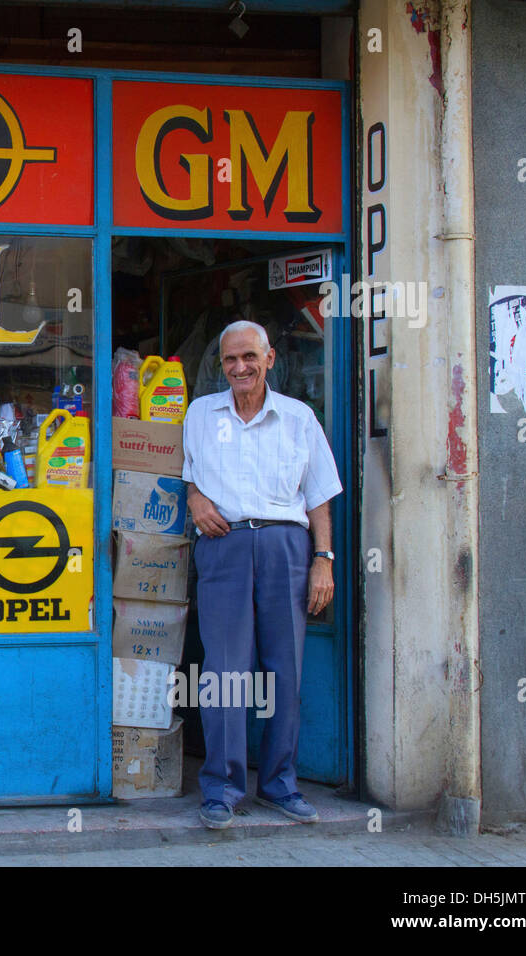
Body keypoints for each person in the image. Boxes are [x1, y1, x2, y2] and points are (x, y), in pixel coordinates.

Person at [181, 319, 343, 829]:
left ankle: (279, 784)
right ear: (221, 365)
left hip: (284, 545)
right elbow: (189, 478)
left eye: (249, 356)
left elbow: (318, 496)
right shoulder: (201, 414)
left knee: (284, 668)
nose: (240, 367)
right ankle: (222, 789)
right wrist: (195, 499)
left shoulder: (298, 418)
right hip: (224, 546)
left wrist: (324, 559)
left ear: (269, 358)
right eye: (230, 359)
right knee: (224, 672)